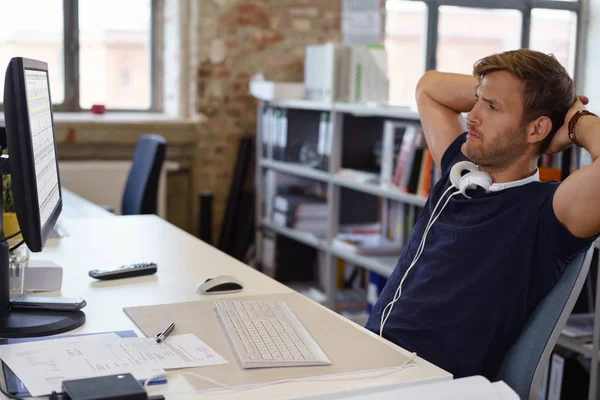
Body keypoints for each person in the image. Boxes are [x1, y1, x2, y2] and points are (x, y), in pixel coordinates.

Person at [365, 49, 600, 379]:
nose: (472, 115)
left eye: (492, 107)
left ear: (537, 130)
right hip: (374, 354)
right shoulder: (461, 174)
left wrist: (576, 121)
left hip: (428, 381)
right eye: (477, 100)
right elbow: (429, 87)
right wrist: (556, 103)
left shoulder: (549, 213)